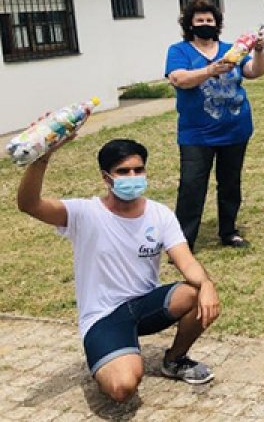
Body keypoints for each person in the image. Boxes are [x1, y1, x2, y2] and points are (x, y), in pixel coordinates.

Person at [16, 139, 221, 402]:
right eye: (123, 172)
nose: (133, 177)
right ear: (106, 177)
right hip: (104, 315)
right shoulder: (84, 213)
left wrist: (207, 285)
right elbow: (29, 204)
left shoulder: (159, 214)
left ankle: (174, 359)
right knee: (122, 387)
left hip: (145, 305)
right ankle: (112, 352)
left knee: (195, 292)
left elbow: (186, 261)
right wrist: (41, 159)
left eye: (139, 170)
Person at [166, 0, 264, 250]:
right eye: (199, 20)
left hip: (235, 129)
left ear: (217, 23)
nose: (205, 24)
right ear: (190, 24)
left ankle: (229, 231)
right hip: (197, 134)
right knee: (191, 186)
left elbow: (254, 72)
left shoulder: (232, 49)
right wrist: (210, 71)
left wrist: (259, 51)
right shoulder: (179, 51)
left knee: (230, 183)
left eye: (209, 20)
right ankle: (183, 241)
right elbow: (178, 79)